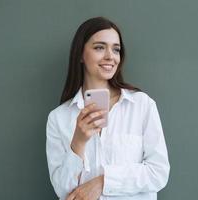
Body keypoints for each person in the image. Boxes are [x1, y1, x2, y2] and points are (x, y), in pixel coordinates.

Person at [46, 17, 170, 200]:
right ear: (80, 54)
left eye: (116, 49)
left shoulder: (142, 105)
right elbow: (63, 191)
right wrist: (78, 142)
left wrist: (103, 182)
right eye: (99, 47)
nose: (110, 56)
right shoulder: (58, 118)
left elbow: (158, 173)